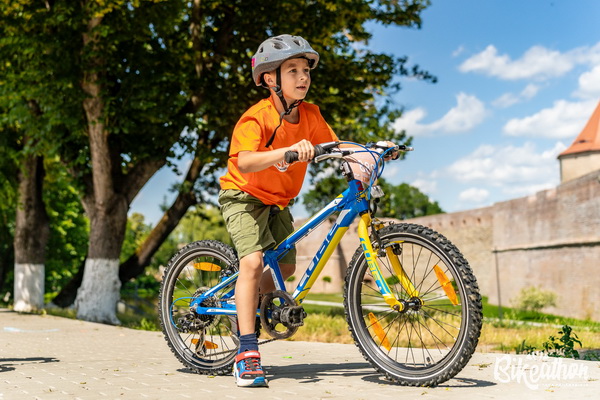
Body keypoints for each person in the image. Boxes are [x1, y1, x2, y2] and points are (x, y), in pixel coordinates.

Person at [218, 34, 339, 387]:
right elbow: (245, 161)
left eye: (306, 70)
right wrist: (285, 153)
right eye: (293, 70)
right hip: (243, 196)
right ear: (270, 79)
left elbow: (336, 146)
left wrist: (372, 150)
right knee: (253, 263)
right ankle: (246, 352)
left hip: (278, 201)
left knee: (284, 267)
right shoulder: (257, 117)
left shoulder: (311, 114)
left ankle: (248, 302)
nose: (303, 77)